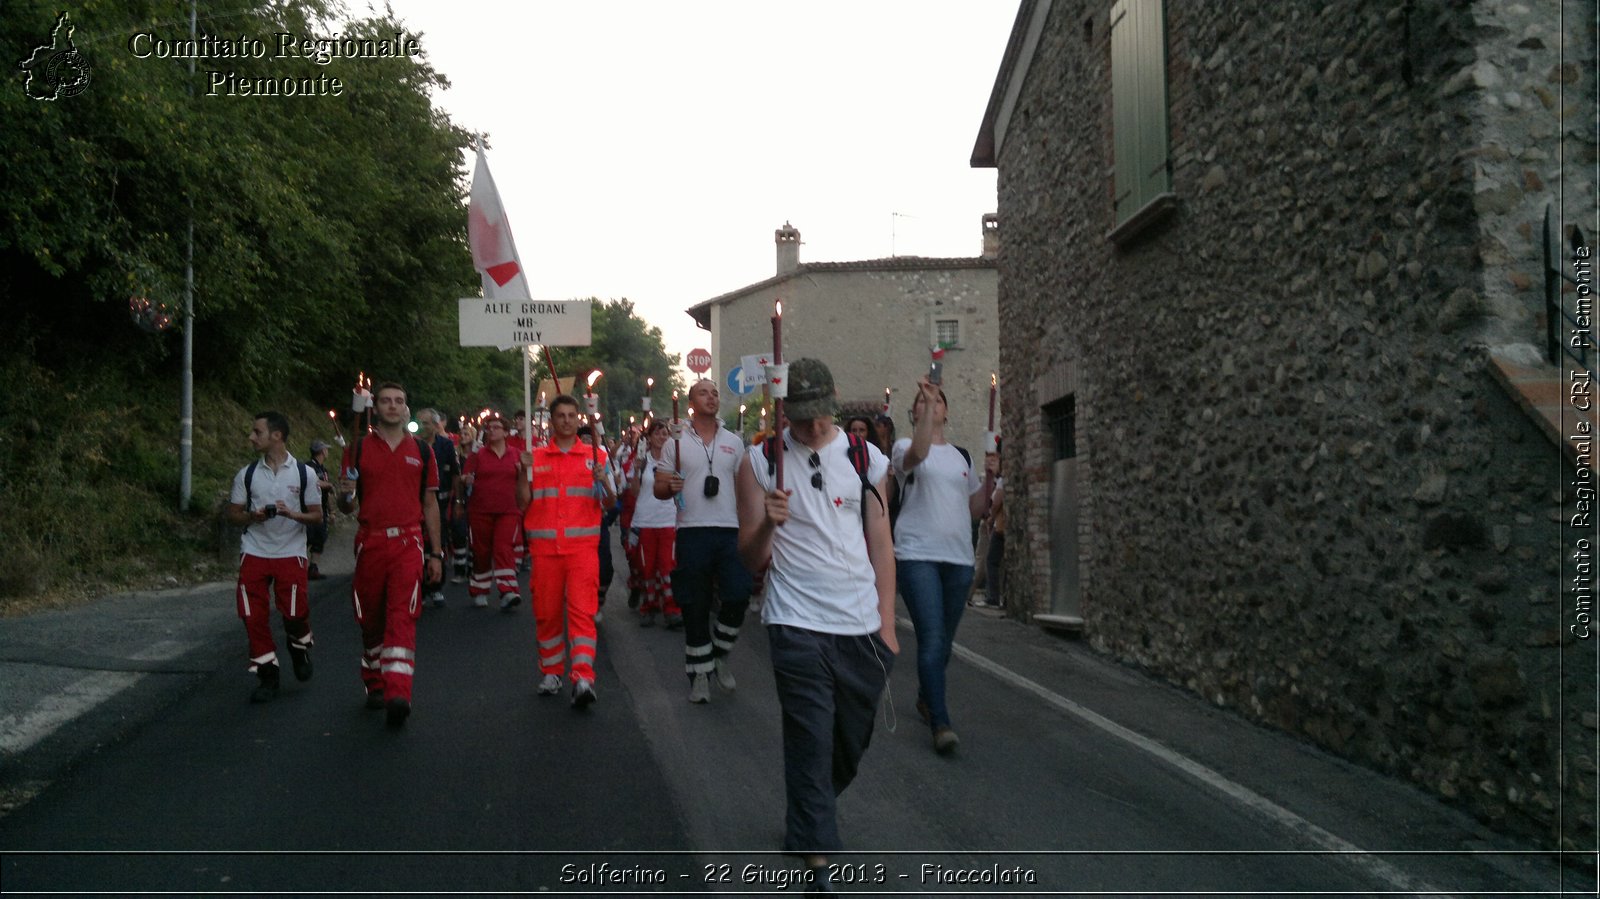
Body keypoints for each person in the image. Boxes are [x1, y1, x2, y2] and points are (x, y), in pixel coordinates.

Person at [736, 358, 897, 892]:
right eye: (798, 418)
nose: (809, 428)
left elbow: (881, 545)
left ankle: (808, 816)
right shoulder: (759, 463)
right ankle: (817, 859)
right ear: (785, 412)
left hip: (859, 626)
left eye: (817, 416)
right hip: (794, 620)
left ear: (832, 405)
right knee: (809, 738)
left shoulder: (866, 459)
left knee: (849, 741)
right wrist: (767, 524)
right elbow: (751, 558)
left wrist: (888, 624)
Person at [337, 382, 443, 728]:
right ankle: (374, 678)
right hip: (371, 542)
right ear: (375, 407)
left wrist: (436, 553)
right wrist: (346, 494)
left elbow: (429, 503)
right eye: (386, 401)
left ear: (406, 408)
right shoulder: (357, 449)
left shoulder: (423, 453)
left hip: (409, 543)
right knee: (371, 619)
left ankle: (399, 692)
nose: (393, 406)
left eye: (399, 401)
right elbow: (346, 505)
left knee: (402, 615)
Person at [892, 377, 989, 755]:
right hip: (917, 555)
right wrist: (924, 419)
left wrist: (992, 474)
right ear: (915, 411)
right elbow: (918, 454)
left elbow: (976, 510)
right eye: (921, 401)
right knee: (931, 638)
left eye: (935, 401)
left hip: (958, 559)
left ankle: (924, 695)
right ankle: (940, 721)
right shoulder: (904, 447)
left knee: (944, 645)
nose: (929, 404)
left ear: (946, 411)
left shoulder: (962, 457)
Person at [517, 394, 616, 709]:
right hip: (545, 551)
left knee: (581, 614)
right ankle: (551, 672)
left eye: (571, 415)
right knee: (546, 614)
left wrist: (604, 482)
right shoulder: (536, 457)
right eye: (560, 415)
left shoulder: (596, 456)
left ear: (579, 419)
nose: (566, 420)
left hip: (582, 551)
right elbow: (522, 503)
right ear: (551, 420)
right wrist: (523, 472)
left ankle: (583, 677)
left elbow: (611, 503)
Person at [657, 379, 753, 704]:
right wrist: (669, 486)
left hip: (729, 530)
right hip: (692, 530)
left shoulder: (734, 442)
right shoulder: (676, 442)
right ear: (690, 402)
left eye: (714, 393)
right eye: (703, 392)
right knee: (694, 604)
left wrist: (751, 525)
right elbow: (659, 488)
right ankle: (699, 674)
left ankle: (721, 652)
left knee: (739, 593)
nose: (711, 397)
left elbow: (744, 489)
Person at [225, 412, 320, 703]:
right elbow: (233, 515)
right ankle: (268, 674)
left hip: (290, 552)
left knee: (294, 612)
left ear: (276, 435)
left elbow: (316, 516)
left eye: (257, 432)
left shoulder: (305, 473)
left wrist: (294, 514)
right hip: (254, 550)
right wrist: (251, 517)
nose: (251, 437)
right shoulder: (247, 474)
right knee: (252, 615)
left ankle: (298, 645)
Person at [461, 413, 523, 610]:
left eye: (497, 427)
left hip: (508, 509)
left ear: (506, 432)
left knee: (503, 548)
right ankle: (480, 588)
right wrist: (467, 480)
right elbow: (464, 476)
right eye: (489, 428)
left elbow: (524, 479)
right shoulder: (478, 454)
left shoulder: (516, 454)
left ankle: (507, 591)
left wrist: (524, 469)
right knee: (481, 551)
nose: (492, 430)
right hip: (480, 509)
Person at [629, 420, 681, 628]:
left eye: (665, 434)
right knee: (647, 567)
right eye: (658, 433)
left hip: (669, 520)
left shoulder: (675, 461)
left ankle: (671, 609)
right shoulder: (643, 462)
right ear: (649, 438)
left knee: (668, 566)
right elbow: (634, 492)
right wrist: (635, 470)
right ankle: (648, 606)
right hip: (645, 520)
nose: (662, 437)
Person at [418, 408, 461, 608]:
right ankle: (420, 588)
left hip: (440, 502)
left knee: (437, 543)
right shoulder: (412, 445)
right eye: (419, 422)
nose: (422, 427)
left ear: (436, 425)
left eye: (426, 423)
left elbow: (455, 474)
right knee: (419, 545)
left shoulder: (445, 446)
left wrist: (458, 500)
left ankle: (436, 587)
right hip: (417, 503)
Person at [306, 439, 334, 581]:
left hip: (322, 509)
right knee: (306, 538)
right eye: (326, 449)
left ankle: (313, 567)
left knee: (320, 538)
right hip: (308, 509)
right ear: (322, 451)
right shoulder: (308, 467)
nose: (327, 452)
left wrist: (331, 511)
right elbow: (313, 483)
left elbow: (327, 492)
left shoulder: (324, 470)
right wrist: (328, 485)